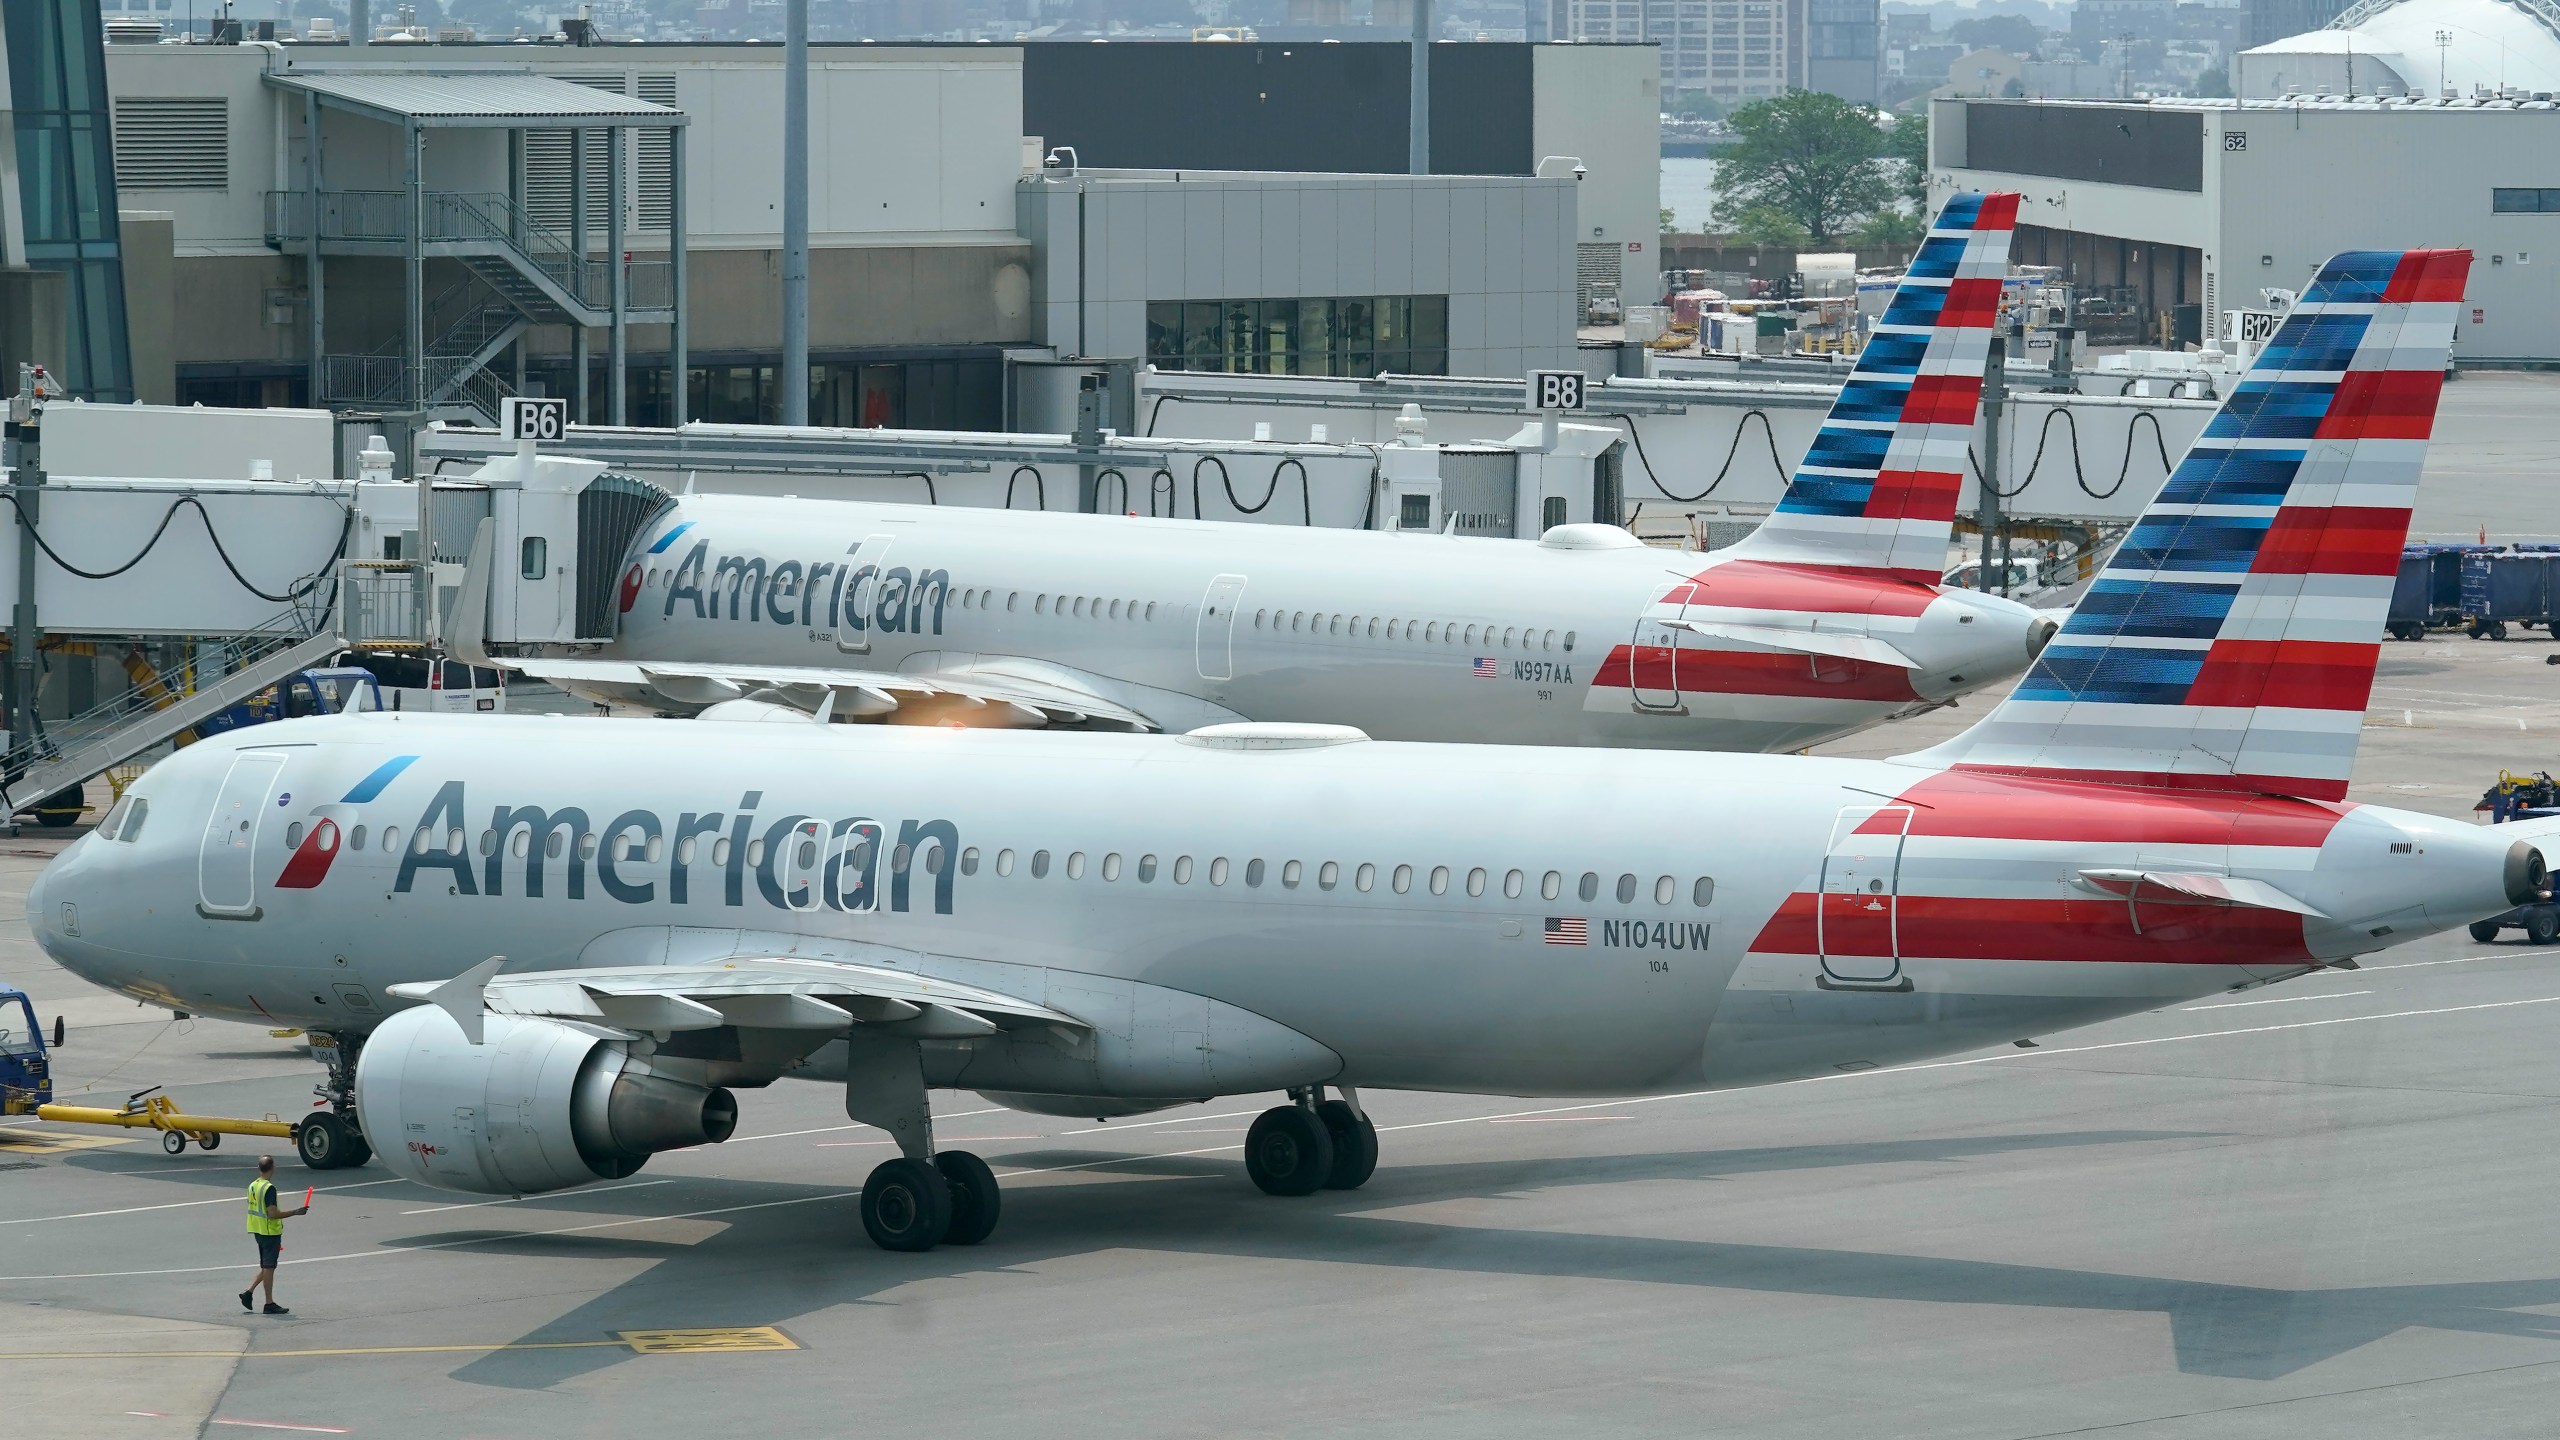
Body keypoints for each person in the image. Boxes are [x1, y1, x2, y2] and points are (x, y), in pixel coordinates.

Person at [238, 1155, 307, 1315]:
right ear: (273, 1168)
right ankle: (269, 1303)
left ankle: (248, 1292)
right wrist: (295, 1212)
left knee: (266, 1265)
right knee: (269, 1267)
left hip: (257, 1229)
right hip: (269, 1231)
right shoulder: (269, 1188)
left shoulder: (253, 1185)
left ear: (259, 1168)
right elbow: (272, 1213)